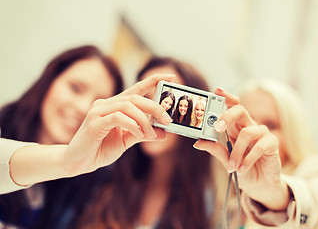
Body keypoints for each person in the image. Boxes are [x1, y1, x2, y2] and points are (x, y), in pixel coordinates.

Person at [0, 46, 174, 228]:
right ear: (50, 80)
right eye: (75, 88)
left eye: (98, 102)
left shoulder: (82, 191)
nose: (84, 108)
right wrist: (66, 161)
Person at [75, 56, 216, 229]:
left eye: (165, 102)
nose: (150, 112)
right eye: (145, 98)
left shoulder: (202, 203)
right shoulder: (104, 171)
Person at [195, 79, 318, 228]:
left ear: (293, 134)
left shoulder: (317, 169)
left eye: (270, 125)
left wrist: (276, 195)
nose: (253, 133)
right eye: (243, 123)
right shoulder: (220, 195)